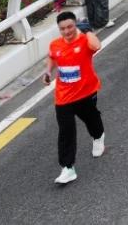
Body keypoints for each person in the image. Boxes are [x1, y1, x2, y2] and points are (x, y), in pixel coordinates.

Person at [46, 11, 105, 184]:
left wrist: (87, 30)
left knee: (91, 119)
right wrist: (48, 71)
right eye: (63, 28)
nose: (67, 31)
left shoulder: (85, 40)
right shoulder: (55, 44)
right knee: (66, 130)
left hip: (86, 92)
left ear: (76, 25)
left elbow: (97, 45)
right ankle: (68, 168)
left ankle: (98, 136)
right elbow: (52, 57)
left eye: (70, 27)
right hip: (63, 96)